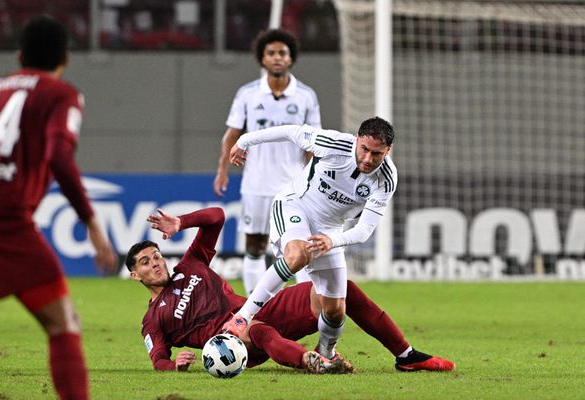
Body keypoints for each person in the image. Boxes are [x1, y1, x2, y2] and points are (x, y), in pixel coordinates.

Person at [0, 16, 117, 400]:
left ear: (19, 56)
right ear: (65, 58)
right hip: (1, 215)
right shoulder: (61, 94)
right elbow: (59, 156)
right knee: (64, 323)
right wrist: (91, 223)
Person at [126, 206, 454, 373]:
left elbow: (217, 216)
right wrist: (175, 365)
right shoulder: (153, 320)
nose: (155, 263)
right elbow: (158, 359)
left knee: (341, 291)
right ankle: (312, 361)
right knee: (259, 330)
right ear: (134, 276)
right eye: (145, 262)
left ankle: (406, 356)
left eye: (156, 256)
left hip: (259, 308)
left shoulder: (191, 265)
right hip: (231, 338)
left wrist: (181, 223)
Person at [223, 117, 398, 366]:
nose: (368, 159)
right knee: (298, 255)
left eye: (376, 154)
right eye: (364, 149)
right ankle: (242, 317)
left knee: (335, 309)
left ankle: (327, 353)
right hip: (295, 206)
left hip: (330, 231)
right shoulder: (332, 144)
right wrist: (244, 141)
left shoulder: (387, 179)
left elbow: (364, 231)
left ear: (388, 150)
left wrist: (332, 240)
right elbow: (290, 131)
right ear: (357, 139)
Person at [213, 29, 321, 295]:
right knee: (255, 246)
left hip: (293, 186)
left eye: (282, 53)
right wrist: (222, 169)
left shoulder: (305, 96)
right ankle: (258, 306)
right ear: (262, 58)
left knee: (298, 246)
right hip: (256, 184)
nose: (277, 57)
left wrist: (314, 178)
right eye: (271, 53)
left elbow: (314, 142)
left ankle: (303, 305)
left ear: (291, 58)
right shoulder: (248, 94)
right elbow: (232, 134)